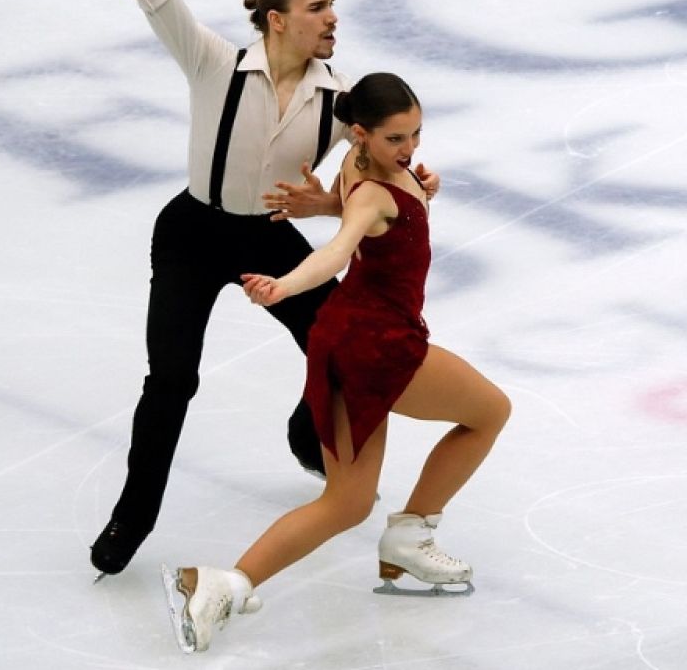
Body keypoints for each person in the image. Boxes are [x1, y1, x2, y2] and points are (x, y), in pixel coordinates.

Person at [91, 0, 421, 579]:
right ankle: (130, 519)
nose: (333, 16)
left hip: (267, 234)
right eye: (318, 7)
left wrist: (405, 179)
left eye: (333, 4)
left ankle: (309, 438)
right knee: (172, 378)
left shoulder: (338, 95)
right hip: (192, 233)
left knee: (337, 347)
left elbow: (376, 160)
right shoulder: (214, 63)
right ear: (277, 20)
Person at [163, 73, 512, 654]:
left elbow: (361, 209)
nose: (411, 149)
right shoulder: (373, 190)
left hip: (342, 338)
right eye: (397, 138)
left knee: (346, 503)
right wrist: (285, 284)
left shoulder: (355, 166)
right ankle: (412, 532)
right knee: (490, 411)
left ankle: (225, 584)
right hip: (381, 345)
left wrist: (359, 196)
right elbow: (338, 249)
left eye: (416, 133)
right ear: (361, 133)